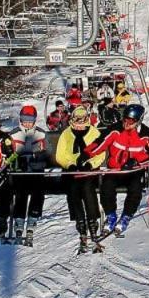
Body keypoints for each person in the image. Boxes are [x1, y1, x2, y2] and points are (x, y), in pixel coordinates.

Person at [85, 103, 149, 236]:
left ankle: (126, 216)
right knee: (106, 187)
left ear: (138, 121)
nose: (127, 123)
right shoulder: (115, 129)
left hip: (132, 171)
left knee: (135, 189)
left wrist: (135, 161)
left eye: (131, 121)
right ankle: (111, 216)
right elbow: (100, 144)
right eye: (125, 119)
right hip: (115, 170)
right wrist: (84, 156)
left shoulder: (146, 134)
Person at [56, 104, 106, 248]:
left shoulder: (94, 133)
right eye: (77, 123)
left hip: (89, 170)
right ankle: (80, 222)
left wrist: (91, 164)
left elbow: (100, 152)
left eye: (82, 123)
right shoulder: (66, 134)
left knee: (87, 186)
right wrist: (70, 164)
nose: (79, 126)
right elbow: (61, 155)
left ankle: (92, 221)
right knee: (73, 188)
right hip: (72, 170)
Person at [10, 104, 48, 240]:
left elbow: (45, 154)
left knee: (39, 188)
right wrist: (17, 162)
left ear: (34, 120)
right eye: (24, 120)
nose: (27, 123)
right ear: (20, 119)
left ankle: (33, 215)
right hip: (20, 172)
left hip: (36, 170)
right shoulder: (14, 134)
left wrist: (38, 159)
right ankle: (19, 218)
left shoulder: (40, 134)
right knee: (21, 190)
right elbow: (9, 154)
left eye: (30, 120)